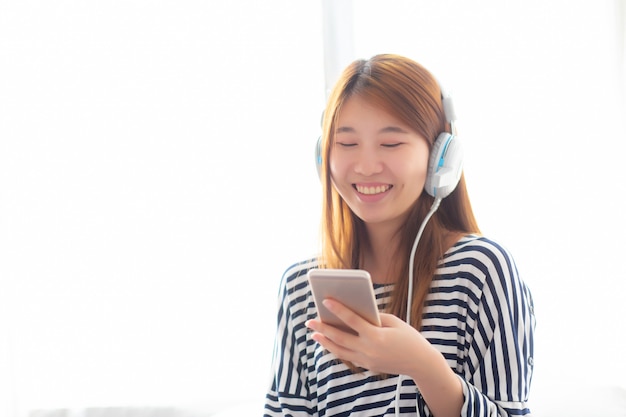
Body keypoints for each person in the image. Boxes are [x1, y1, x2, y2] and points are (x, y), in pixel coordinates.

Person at [264, 54, 535, 417]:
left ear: (441, 158)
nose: (366, 165)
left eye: (391, 144)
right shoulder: (301, 288)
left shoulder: (481, 270)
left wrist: (425, 367)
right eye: (346, 144)